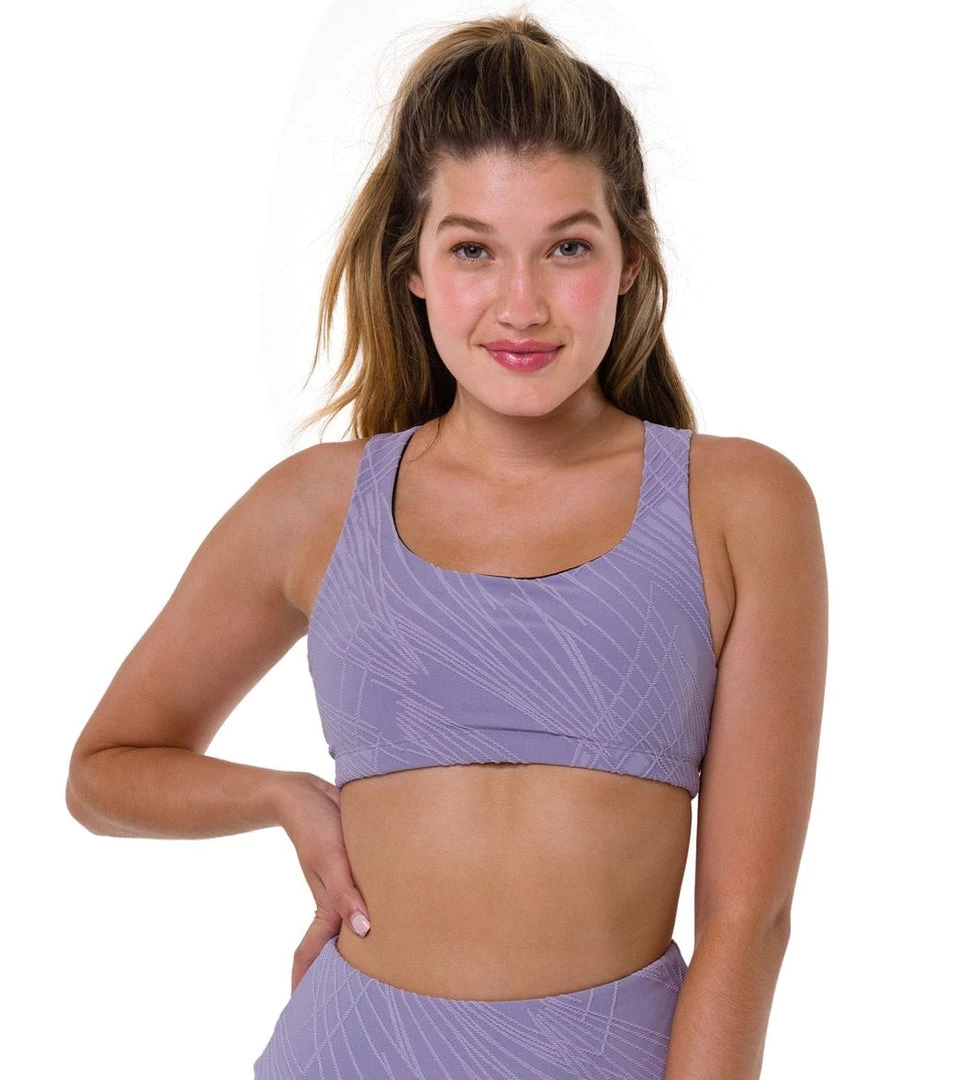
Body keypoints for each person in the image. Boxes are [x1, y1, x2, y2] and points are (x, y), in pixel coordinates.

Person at [65, 11, 827, 1079]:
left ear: (628, 259)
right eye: (472, 250)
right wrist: (285, 797)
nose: (520, 305)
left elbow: (747, 922)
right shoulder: (315, 507)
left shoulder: (739, 504)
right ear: (414, 265)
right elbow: (103, 772)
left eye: (567, 247)